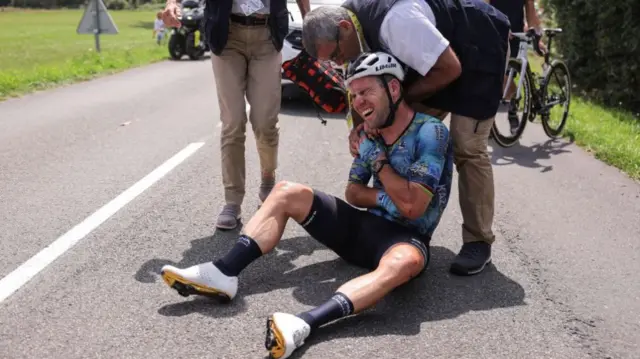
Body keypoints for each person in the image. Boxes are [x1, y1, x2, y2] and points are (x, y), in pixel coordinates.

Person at [159, 52, 454, 359]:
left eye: (367, 92)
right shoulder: (369, 132)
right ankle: (223, 272)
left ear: (393, 90)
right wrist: (384, 194)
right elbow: (353, 193)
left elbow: (412, 208)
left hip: (404, 240)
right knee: (287, 191)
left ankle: (303, 324)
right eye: (354, 95)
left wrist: (378, 163)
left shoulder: (430, 132)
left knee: (406, 262)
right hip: (362, 229)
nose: (359, 103)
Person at [301, 0, 511, 276]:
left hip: (476, 52)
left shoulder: (396, 22)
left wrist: (396, 102)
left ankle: (478, 241)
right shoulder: (346, 25)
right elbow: (358, 83)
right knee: (389, 124)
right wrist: (359, 126)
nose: (338, 63)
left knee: (467, 147)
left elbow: (450, 68)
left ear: (344, 28)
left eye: (337, 55)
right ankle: (398, 210)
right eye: (331, 61)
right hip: (432, 60)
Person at [161, 0, 310, 230]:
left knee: (265, 122)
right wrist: (172, 3)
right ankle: (232, 201)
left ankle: (268, 179)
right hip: (226, 34)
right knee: (233, 121)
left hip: (267, 34)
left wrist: (307, 18)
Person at [487, 0, 547, 134]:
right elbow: (484, 8)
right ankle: (489, 121)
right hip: (493, 33)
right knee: (493, 78)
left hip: (514, 36)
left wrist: (538, 38)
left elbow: (531, 13)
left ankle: (512, 109)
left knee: (505, 77)